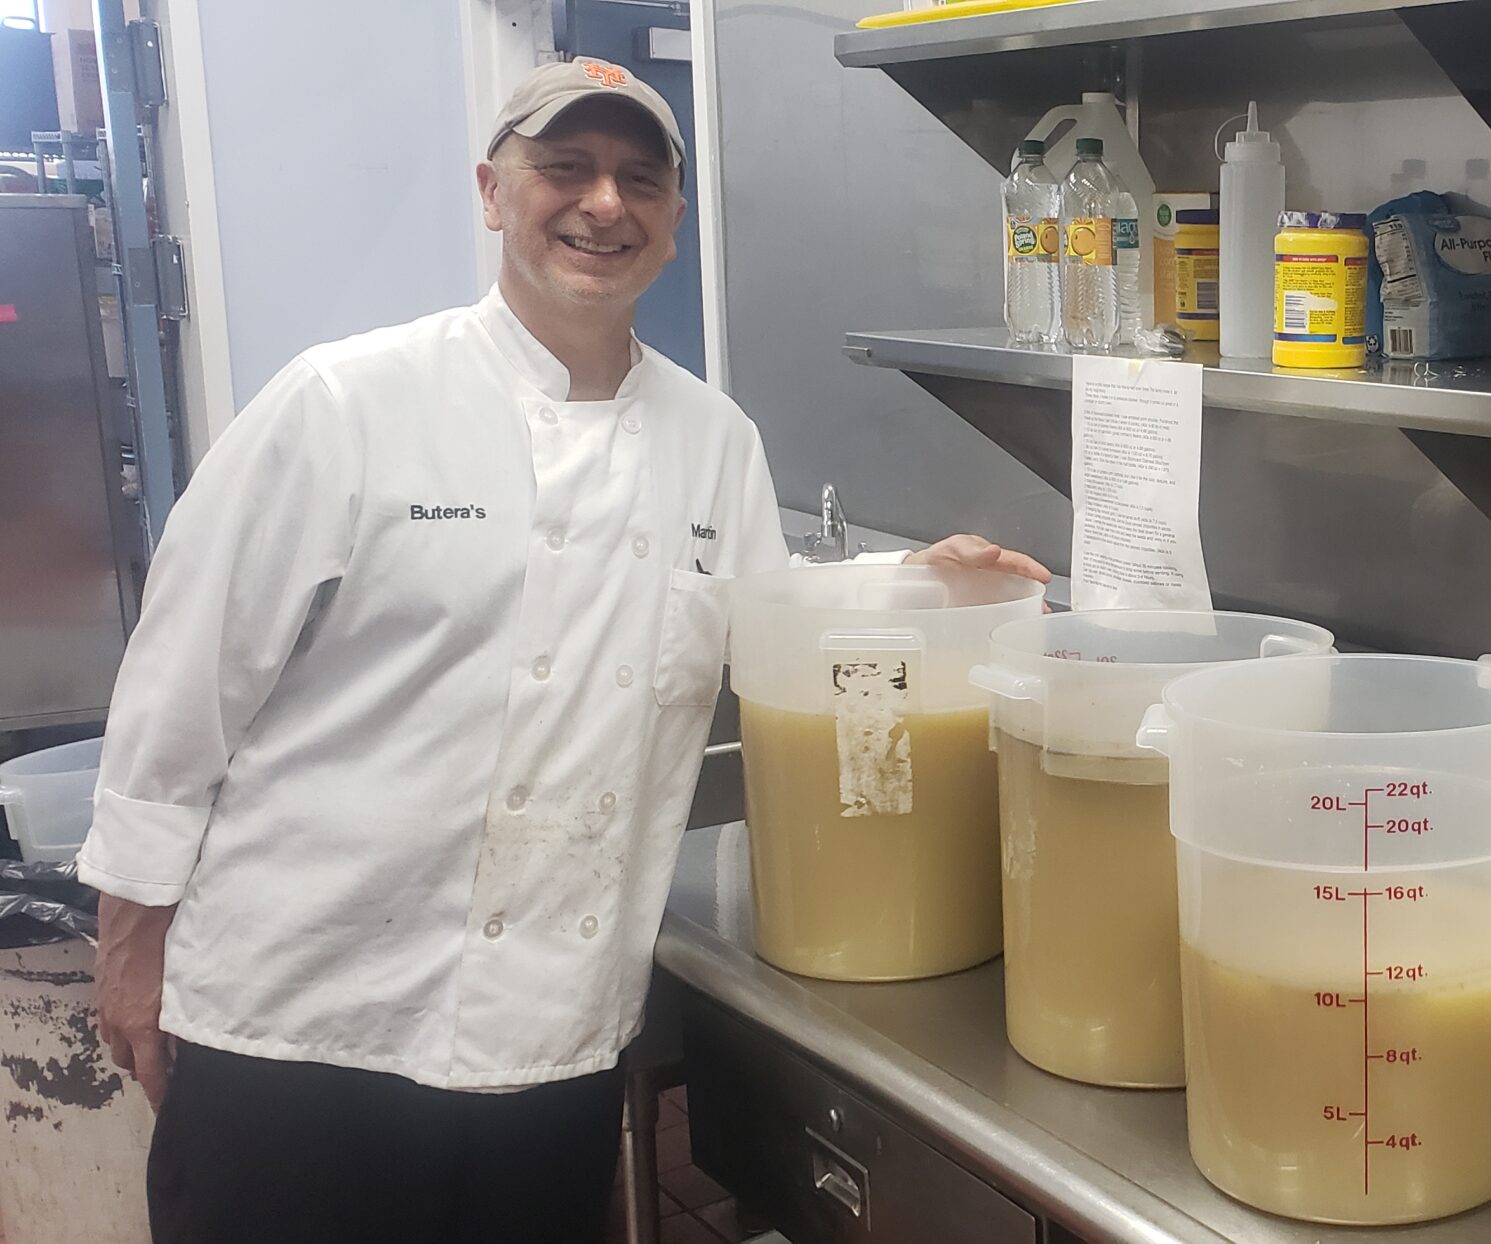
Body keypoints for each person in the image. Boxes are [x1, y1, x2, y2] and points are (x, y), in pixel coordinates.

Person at [78, 57, 1046, 1244]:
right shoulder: (345, 403)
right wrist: (131, 948)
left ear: (674, 220)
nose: (604, 203)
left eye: (639, 178)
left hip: (549, 1051)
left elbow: (772, 623)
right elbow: (178, 694)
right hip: (299, 1031)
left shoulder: (714, 441)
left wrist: (918, 585)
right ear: (493, 191)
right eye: (566, 167)